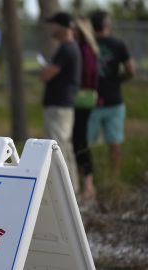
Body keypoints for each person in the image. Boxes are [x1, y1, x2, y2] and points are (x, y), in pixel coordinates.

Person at [88, 11, 135, 177]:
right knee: (114, 144)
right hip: (114, 100)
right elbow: (131, 70)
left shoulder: (87, 43)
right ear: (107, 25)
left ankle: (87, 178)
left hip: (91, 100)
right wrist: (117, 80)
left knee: (85, 144)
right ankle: (114, 177)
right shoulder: (117, 44)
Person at [41, 12, 81, 192]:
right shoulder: (70, 48)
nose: (52, 28)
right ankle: (72, 188)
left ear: (63, 27)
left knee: (57, 148)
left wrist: (45, 71)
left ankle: (65, 190)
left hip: (59, 106)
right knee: (65, 146)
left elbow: (48, 74)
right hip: (63, 105)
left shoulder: (66, 49)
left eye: (54, 24)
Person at [72, 17, 99, 201]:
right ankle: (85, 183)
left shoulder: (85, 51)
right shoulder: (81, 49)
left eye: (74, 28)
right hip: (81, 99)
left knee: (80, 141)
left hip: (83, 99)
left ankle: (88, 185)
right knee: (77, 141)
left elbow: (87, 76)